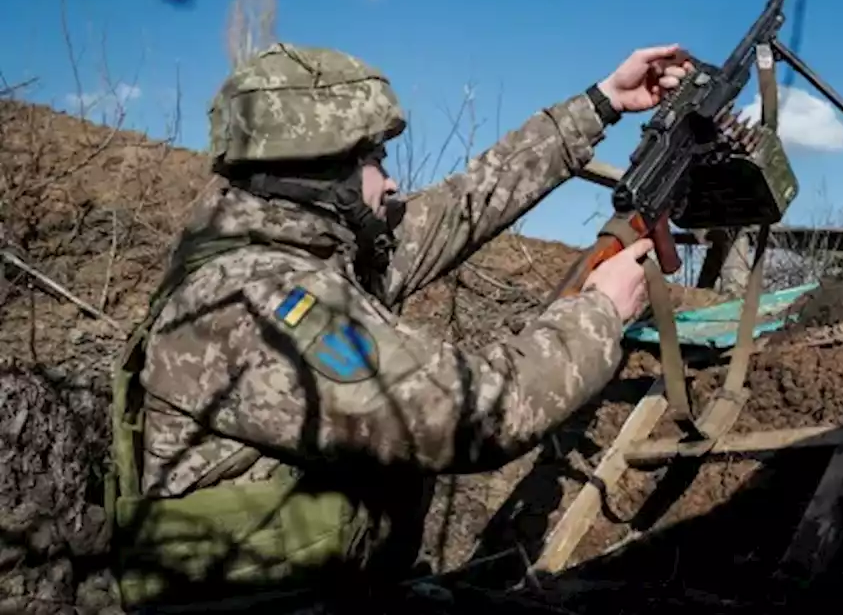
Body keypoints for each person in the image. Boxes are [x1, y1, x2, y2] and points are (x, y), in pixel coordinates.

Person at [107, 42, 695, 611]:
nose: (389, 181)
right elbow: (469, 414)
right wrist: (599, 312)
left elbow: (465, 204)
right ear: (321, 172)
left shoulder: (307, 243)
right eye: (374, 160)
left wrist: (600, 104)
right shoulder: (258, 303)